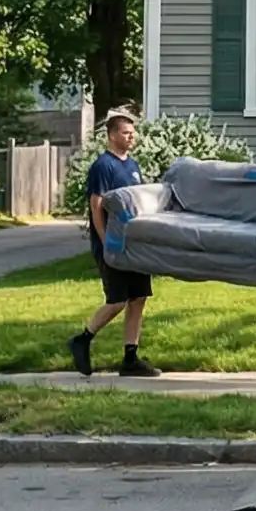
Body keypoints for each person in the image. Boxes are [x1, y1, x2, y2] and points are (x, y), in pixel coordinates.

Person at [69, 111, 159, 377]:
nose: (131, 136)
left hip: (134, 245)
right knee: (117, 300)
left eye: (132, 132)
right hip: (113, 245)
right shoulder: (103, 166)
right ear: (111, 135)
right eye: (125, 132)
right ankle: (82, 339)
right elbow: (96, 204)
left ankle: (130, 358)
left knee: (139, 297)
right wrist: (105, 238)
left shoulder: (132, 165)